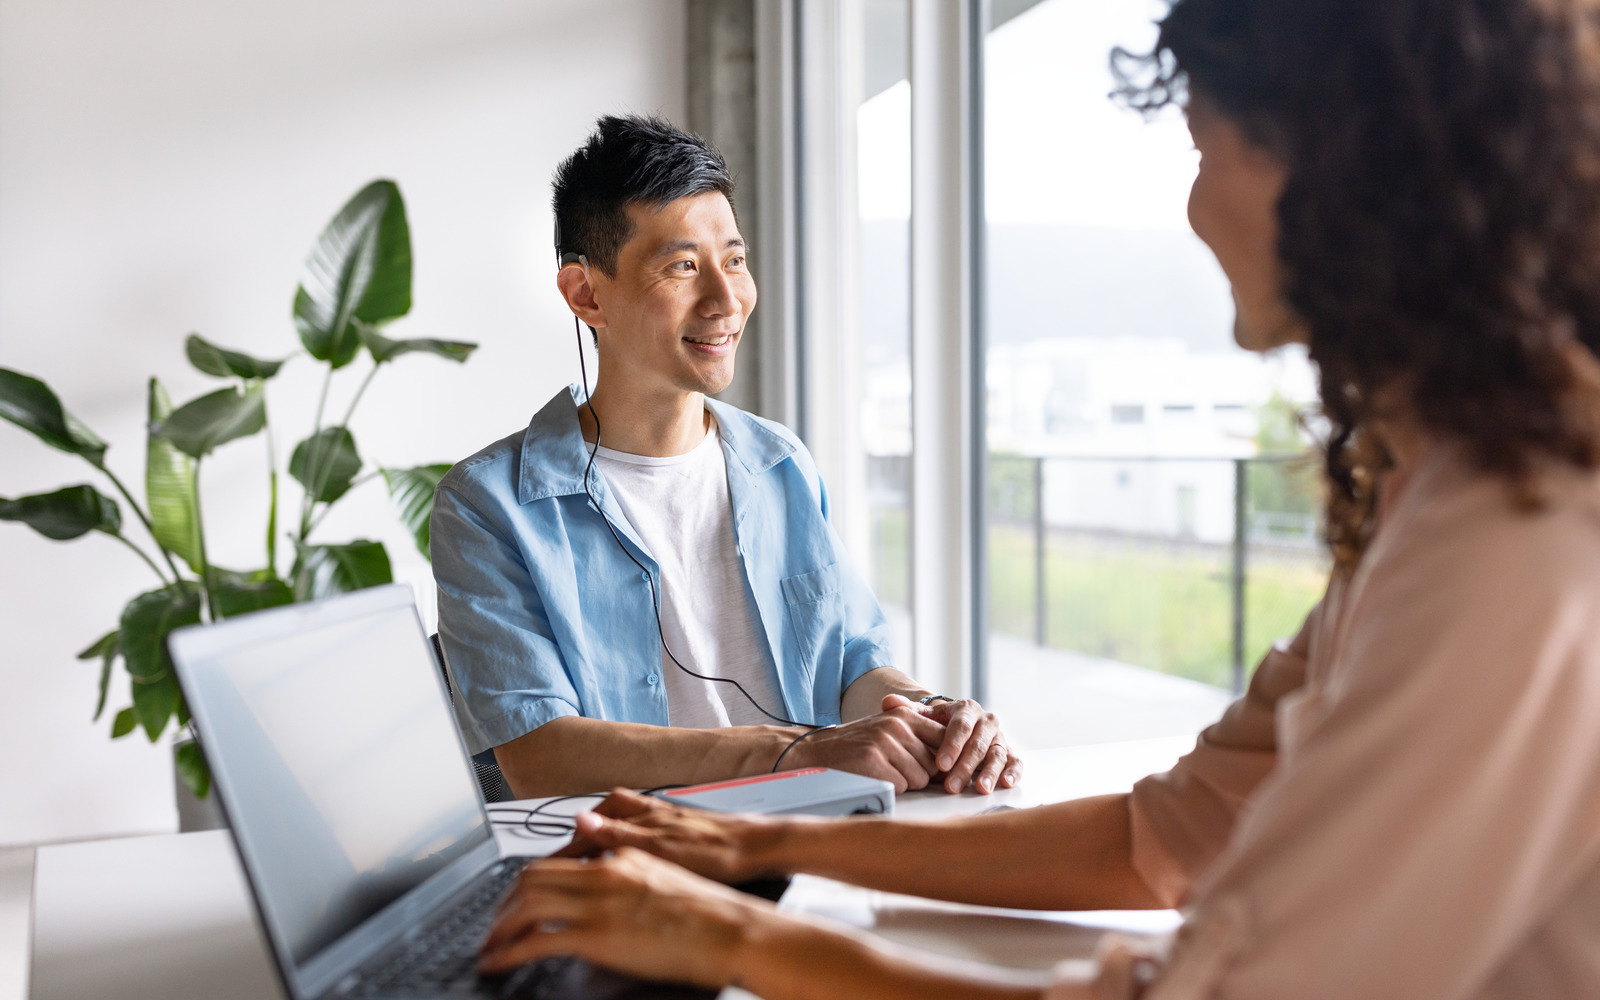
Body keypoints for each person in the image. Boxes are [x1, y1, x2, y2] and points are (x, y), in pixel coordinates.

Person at [476, 1, 1600, 997]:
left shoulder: (1509, 535)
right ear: (586, 290)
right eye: (682, 263)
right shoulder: (1433, 494)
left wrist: (747, 935)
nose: (1196, 207)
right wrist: (745, 852)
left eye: (1207, 148)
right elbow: (1170, 834)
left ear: (1353, 171)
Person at [431, 115, 1021, 800]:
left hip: (823, 833)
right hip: (639, 864)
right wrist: (806, 750)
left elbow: (853, 664)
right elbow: (541, 755)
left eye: (734, 261)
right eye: (683, 266)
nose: (727, 298)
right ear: (586, 294)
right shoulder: (488, 505)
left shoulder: (780, 462)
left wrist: (931, 717)